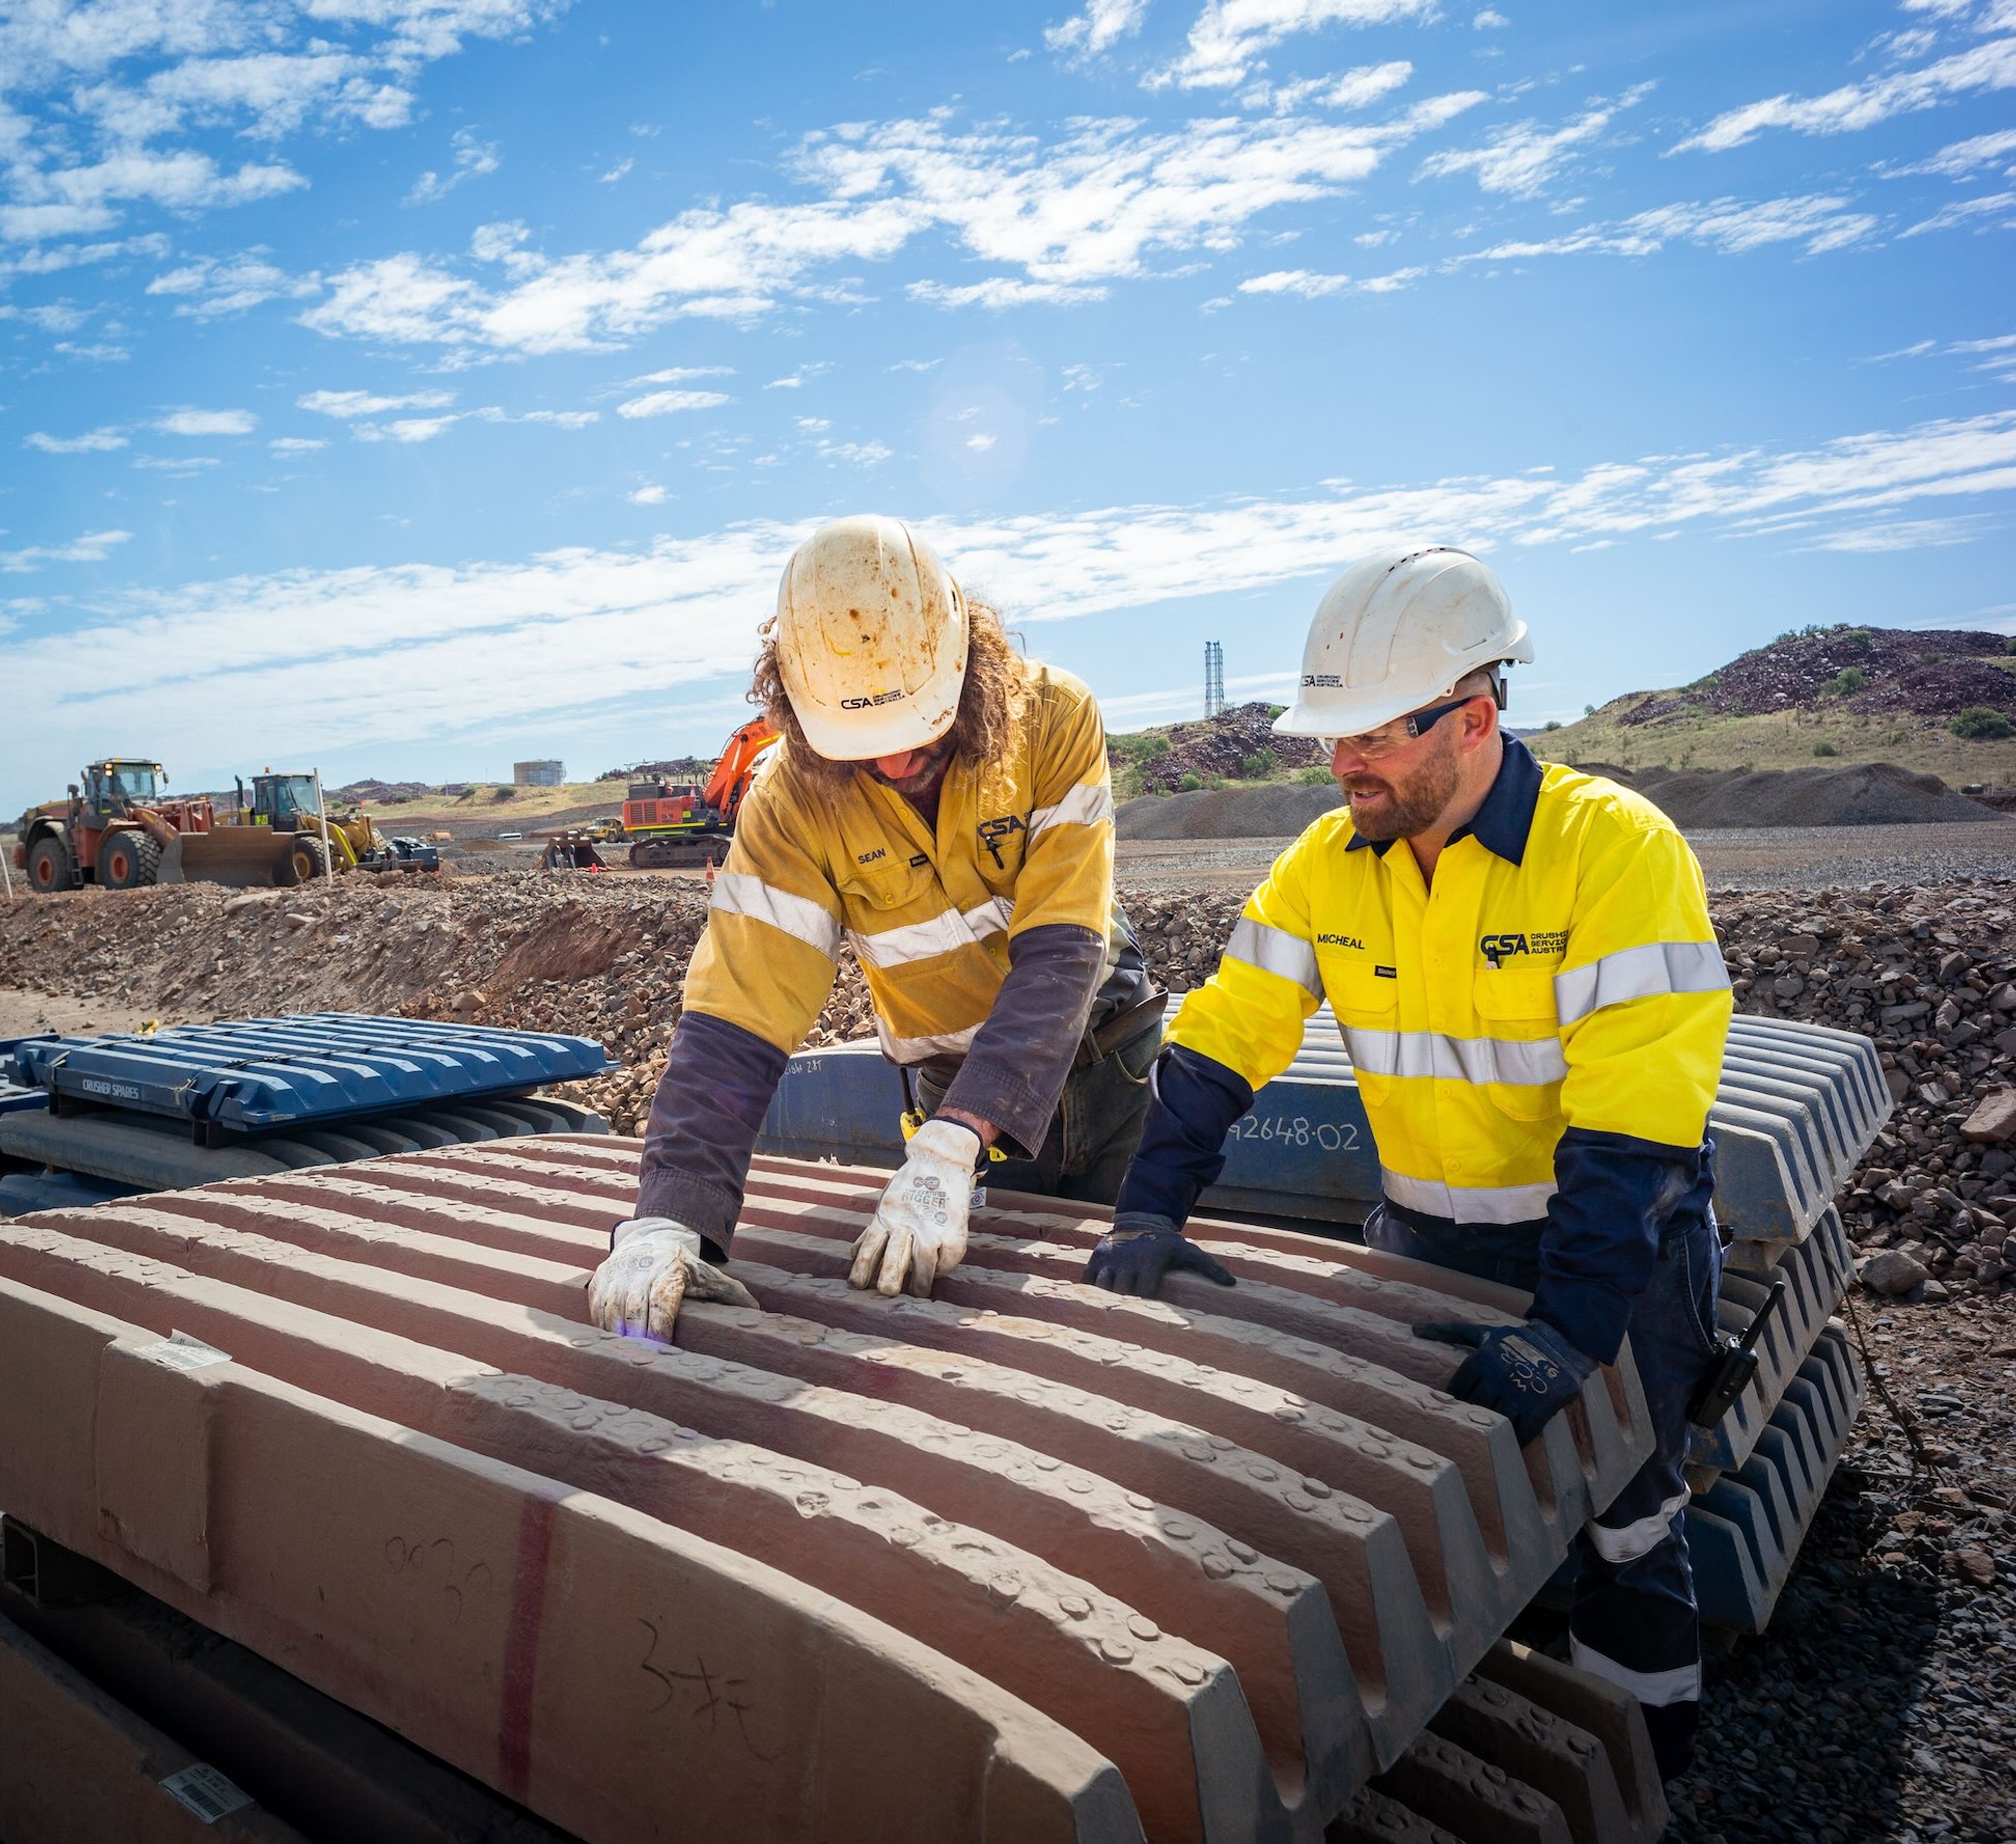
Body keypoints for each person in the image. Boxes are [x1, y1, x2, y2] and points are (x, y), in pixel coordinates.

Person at [1095, 543, 1731, 1782]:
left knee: (1626, 1512)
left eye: (1369, 737)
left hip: (1607, 1250)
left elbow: (1637, 1123)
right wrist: (1148, 1206)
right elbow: (1226, 1035)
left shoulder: (1613, 852)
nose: (1341, 766)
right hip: (1423, 1241)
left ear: (1476, 718)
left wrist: (1574, 1324)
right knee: (1449, 1511)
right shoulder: (1328, 866)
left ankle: (1647, 1758)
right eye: (1329, 738)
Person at [590, 513, 1163, 1344]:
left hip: (1108, 1070)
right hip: (947, 1092)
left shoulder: (1053, 720)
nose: (895, 765)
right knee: (988, 1342)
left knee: (1120, 1325)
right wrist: (670, 1215)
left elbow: (1061, 949)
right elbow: (738, 1018)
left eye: (918, 732)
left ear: (969, 663)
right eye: (867, 747)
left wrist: (953, 1145)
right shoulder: (789, 800)